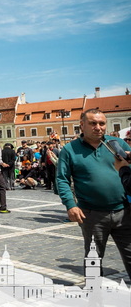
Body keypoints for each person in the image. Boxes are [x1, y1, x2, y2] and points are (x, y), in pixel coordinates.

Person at [57, 108, 131, 278]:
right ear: (82, 125)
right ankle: (94, 290)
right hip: (91, 214)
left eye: (102, 123)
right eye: (93, 123)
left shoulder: (117, 144)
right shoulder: (69, 149)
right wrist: (70, 205)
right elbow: (62, 179)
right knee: (94, 259)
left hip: (124, 211)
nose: (98, 127)